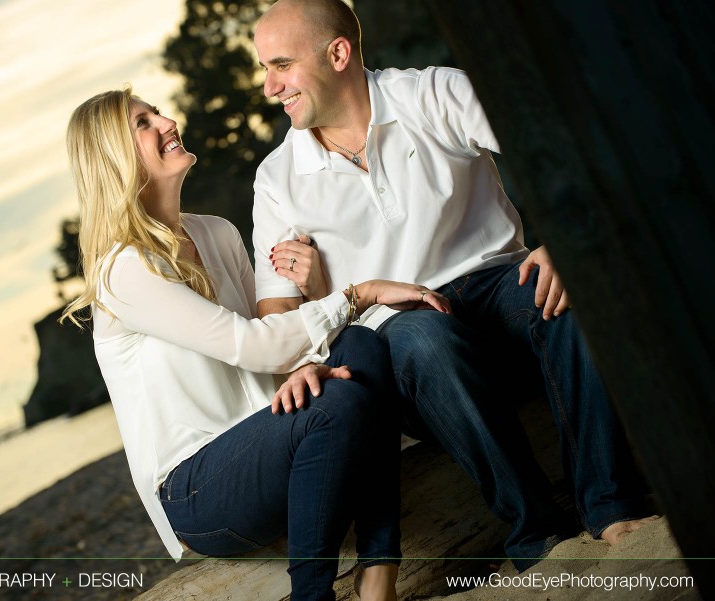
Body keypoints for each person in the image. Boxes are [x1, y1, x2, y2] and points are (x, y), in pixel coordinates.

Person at [251, 0, 657, 570]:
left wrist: (564, 237)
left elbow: (547, 138)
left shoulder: (433, 92)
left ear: (338, 53)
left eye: (281, 65)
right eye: (265, 69)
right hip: (405, 343)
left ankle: (613, 508)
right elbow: (276, 306)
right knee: (422, 340)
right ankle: (538, 535)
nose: (269, 86)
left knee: (568, 293)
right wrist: (303, 363)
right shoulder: (277, 178)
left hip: (496, 286)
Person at [61, 87, 455, 600]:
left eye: (157, 111)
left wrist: (306, 358)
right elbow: (253, 345)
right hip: (197, 488)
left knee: (359, 347)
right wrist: (357, 294)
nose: (166, 121)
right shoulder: (125, 269)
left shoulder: (217, 233)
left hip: (272, 436)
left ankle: (378, 572)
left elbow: (277, 346)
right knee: (337, 393)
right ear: (110, 156)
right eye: (143, 123)